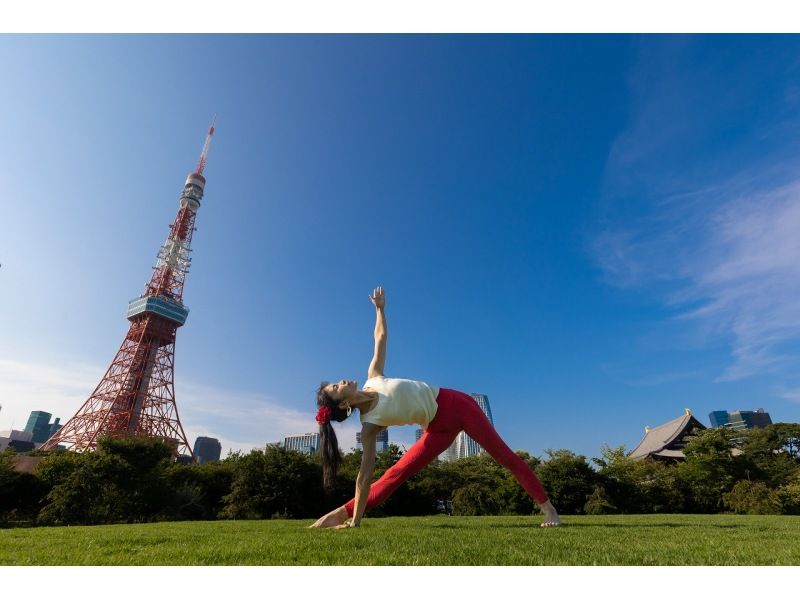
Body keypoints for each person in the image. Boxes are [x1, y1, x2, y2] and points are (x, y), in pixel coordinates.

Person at [309, 286, 562, 529]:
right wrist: (353, 520)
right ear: (343, 404)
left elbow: (380, 337)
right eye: (335, 388)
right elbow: (364, 477)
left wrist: (379, 310)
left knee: (504, 456)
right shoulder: (370, 426)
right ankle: (342, 512)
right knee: (396, 473)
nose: (340, 381)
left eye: (335, 382)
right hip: (437, 430)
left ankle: (550, 510)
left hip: (458, 405)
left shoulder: (373, 377)